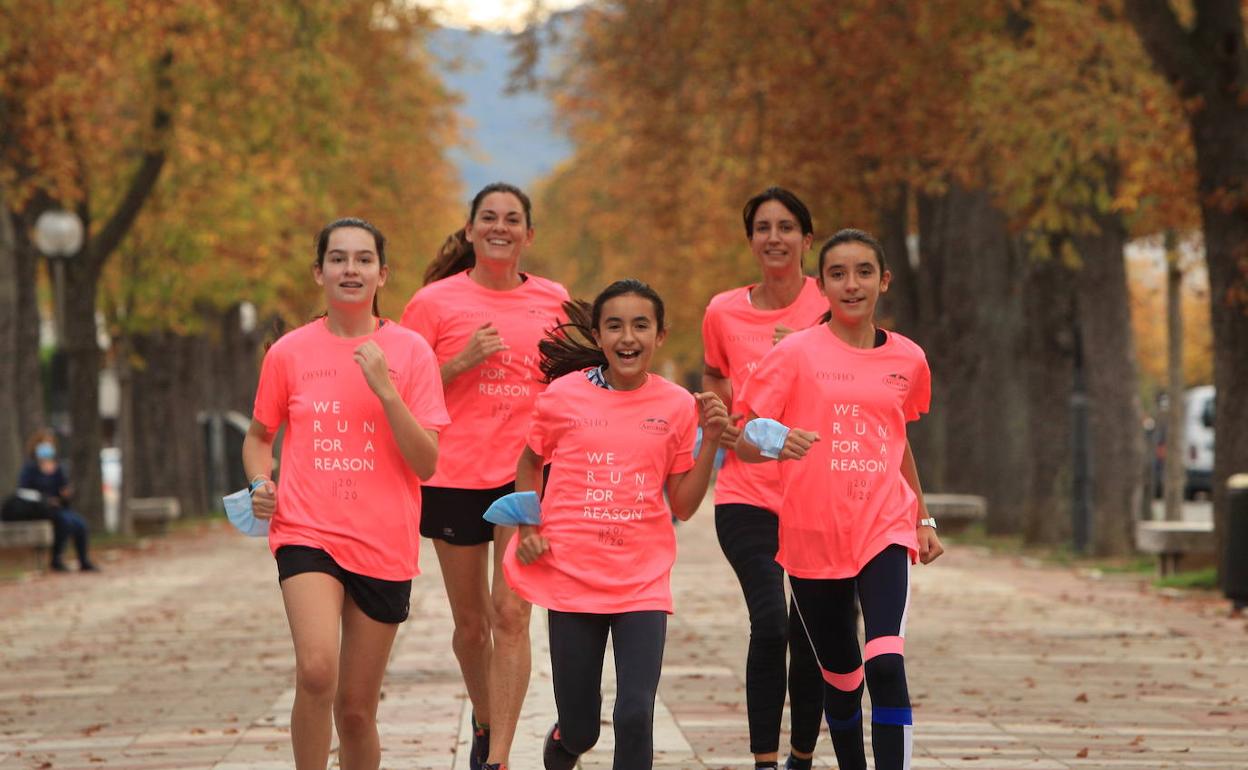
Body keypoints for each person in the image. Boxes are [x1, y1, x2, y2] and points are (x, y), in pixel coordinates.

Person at [242, 217, 449, 770]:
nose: (350, 269)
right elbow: (260, 436)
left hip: (384, 543)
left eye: (362, 259)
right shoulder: (288, 353)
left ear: (383, 273)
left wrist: (386, 390)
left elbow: (426, 461)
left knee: (356, 710)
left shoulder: (410, 353)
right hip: (306, 531)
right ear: (319, 273)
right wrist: (262, 481)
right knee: (315, 671)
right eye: (338, 258)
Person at [500, 278, 729, 770]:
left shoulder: (675, 406)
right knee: (581, 725)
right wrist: (529, 527)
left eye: (641, 325)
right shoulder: (562, 397)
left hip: (641, 581)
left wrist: (710, 442)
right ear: (599, 336)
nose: (628, 337)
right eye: (615, 326)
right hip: (572, 577)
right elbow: (528, 463)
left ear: (660, 335)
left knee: (633, 713)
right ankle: (564, 744)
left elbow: (684, 505)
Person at [736, 229, 944, 770]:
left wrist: (922, 517)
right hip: (812, 534)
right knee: (842, 677)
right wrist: (777, 442)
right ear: (822, 284)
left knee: (885, 663)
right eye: (837, 274)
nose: (852, 284)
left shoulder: (909, 359)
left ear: (883, 281)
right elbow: (745, 438)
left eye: (864, 272)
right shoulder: (794, 353)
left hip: (884, 526)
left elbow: (896, 442)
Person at [400, 182, 569, 770]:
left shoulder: (554, 301)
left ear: (528, 234)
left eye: (513, 218)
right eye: (489, 218)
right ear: (470, 230)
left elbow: (570, 388)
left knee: (512, 614)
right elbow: (401, 394)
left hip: (523, 476)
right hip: (452, 476)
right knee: (472, 627)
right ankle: (484, 718)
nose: (500, 226)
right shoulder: (432, 304)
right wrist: (461, 361)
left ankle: (496, 758)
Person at [700, 187, 827, 770]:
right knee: (770, 622)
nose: (773, 238)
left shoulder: (832, 304)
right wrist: (721, 414)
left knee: (810, 635)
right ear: (750, 239)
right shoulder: (723, 311)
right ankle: (765, 761)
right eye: (762, 228)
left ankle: (802, 755)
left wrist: (803, 353)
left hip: (816, 494)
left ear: (807, 236)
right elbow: (715, 376)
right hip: (746, 492)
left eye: (785, 227)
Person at [11, 430, 96, 572]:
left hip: (59, 507)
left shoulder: (57, 468)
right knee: (65, 522)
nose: (47, 448)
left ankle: (83, 560)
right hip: (41, 509)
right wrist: (45, 500)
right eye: (43, 444)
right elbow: (23, 491)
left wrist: (66, 494)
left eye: (49, 444)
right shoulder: (30, 468)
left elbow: (64, 491)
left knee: (80, 524)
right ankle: (56, 559)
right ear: (36, 447)